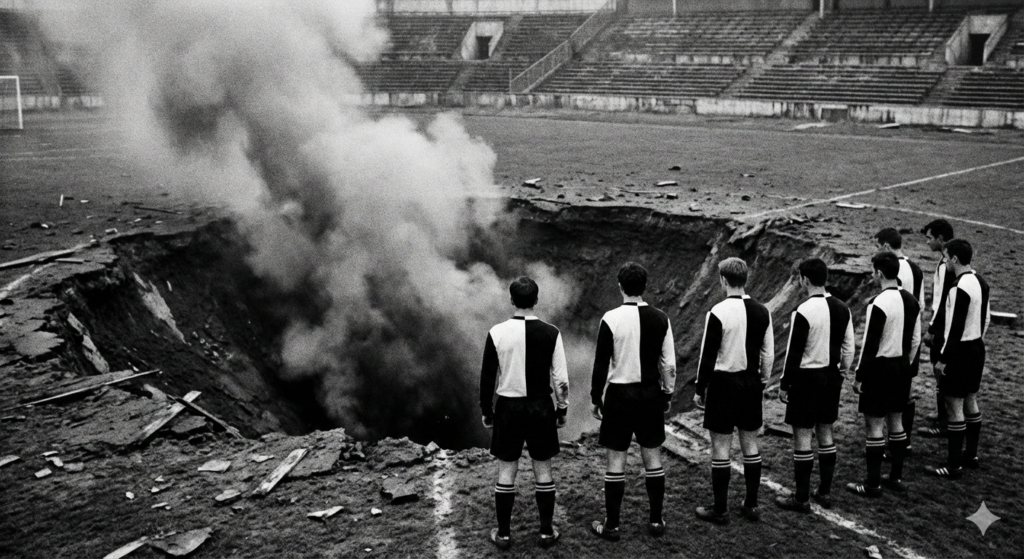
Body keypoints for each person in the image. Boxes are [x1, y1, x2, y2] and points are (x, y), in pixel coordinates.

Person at [479, 276, 570, 549]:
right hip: (541, 407)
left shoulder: (496, 332)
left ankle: (504, 535)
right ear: (536, 300)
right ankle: (546, 532)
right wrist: (562, 409)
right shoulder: (552, 333)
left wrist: (487, 410)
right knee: (543, 469)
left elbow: (487, 378)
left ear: (511, 300)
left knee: (507, 470)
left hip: (508, 408)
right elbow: (561, 380)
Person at [590, 262, 676, 541]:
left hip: (619, 396)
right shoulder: (661, 318)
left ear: (620, 286)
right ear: (645, 286)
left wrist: (595, 397)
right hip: (650, 394)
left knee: (616, 459)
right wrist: (667, 394)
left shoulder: (610, 318)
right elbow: (669, 365)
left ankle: (612, 526)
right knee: (653, 457)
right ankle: (656, 521)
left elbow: (601, 362)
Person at [693, 257, 773, 524]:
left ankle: (720, 510)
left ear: (723, 280)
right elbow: (768, 353)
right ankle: (751, 505)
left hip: (723, 385)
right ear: (745, 279)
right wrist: (762, 380)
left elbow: (708, 355)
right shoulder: (762, 311)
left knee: (721, 447)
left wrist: (700, 388)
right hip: (750, 383)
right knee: (750, 445)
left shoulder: (717, 312)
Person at [774, 259, 855, 513]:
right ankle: (824, 492)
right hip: (831, 377)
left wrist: (785, 384)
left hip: (806, 379)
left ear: (805, 279)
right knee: (826, 433)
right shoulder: (843, 308)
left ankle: (801, 499)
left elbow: (794, 352)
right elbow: (849, 348)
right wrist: (841, 372)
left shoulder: (803, 310)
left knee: (802, 437)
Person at [847, 252, 921, 497]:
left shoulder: (878, 303)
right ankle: (895, 477)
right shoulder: (911, 300)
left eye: (873, 271)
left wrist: (859, 375)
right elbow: (916, 339)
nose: (872, 275)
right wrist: (906, 364)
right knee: (896, 422)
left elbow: (871, 343)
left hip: (880, 369)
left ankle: (872, 484)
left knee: (875, 425)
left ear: (879, 273)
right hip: (902, 367)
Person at [929, 239, 990, 479]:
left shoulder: (958, 287)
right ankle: (971, 455)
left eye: (946, 257)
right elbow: (985, 318)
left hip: (960, 351)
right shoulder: (981, 281)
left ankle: (953, 466)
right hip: (977, 348)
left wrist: (943, 358)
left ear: (954, 259)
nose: (944, 261)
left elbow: (955, 327)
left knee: (954, 406)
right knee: (971, 400)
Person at [874, 227, 924, 456]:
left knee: (889, 399)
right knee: (906, 390)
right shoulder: (916, 268)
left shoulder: (892, 271)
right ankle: (905, 442)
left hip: (894, 340)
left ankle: (894, 443)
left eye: (877, 246)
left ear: (885, 246)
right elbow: (920, 305)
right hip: (911, 337)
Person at [918, 219, 957, 438]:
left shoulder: (948, 265)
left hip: (944, 327)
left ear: (941, 238)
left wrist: (932, 328)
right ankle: (943, 413)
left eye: (929, 238)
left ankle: (944, 422)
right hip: (943, 323)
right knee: (939, 371)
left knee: (941, 371)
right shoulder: (945, 261)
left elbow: (944, 301)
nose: (927, 242)